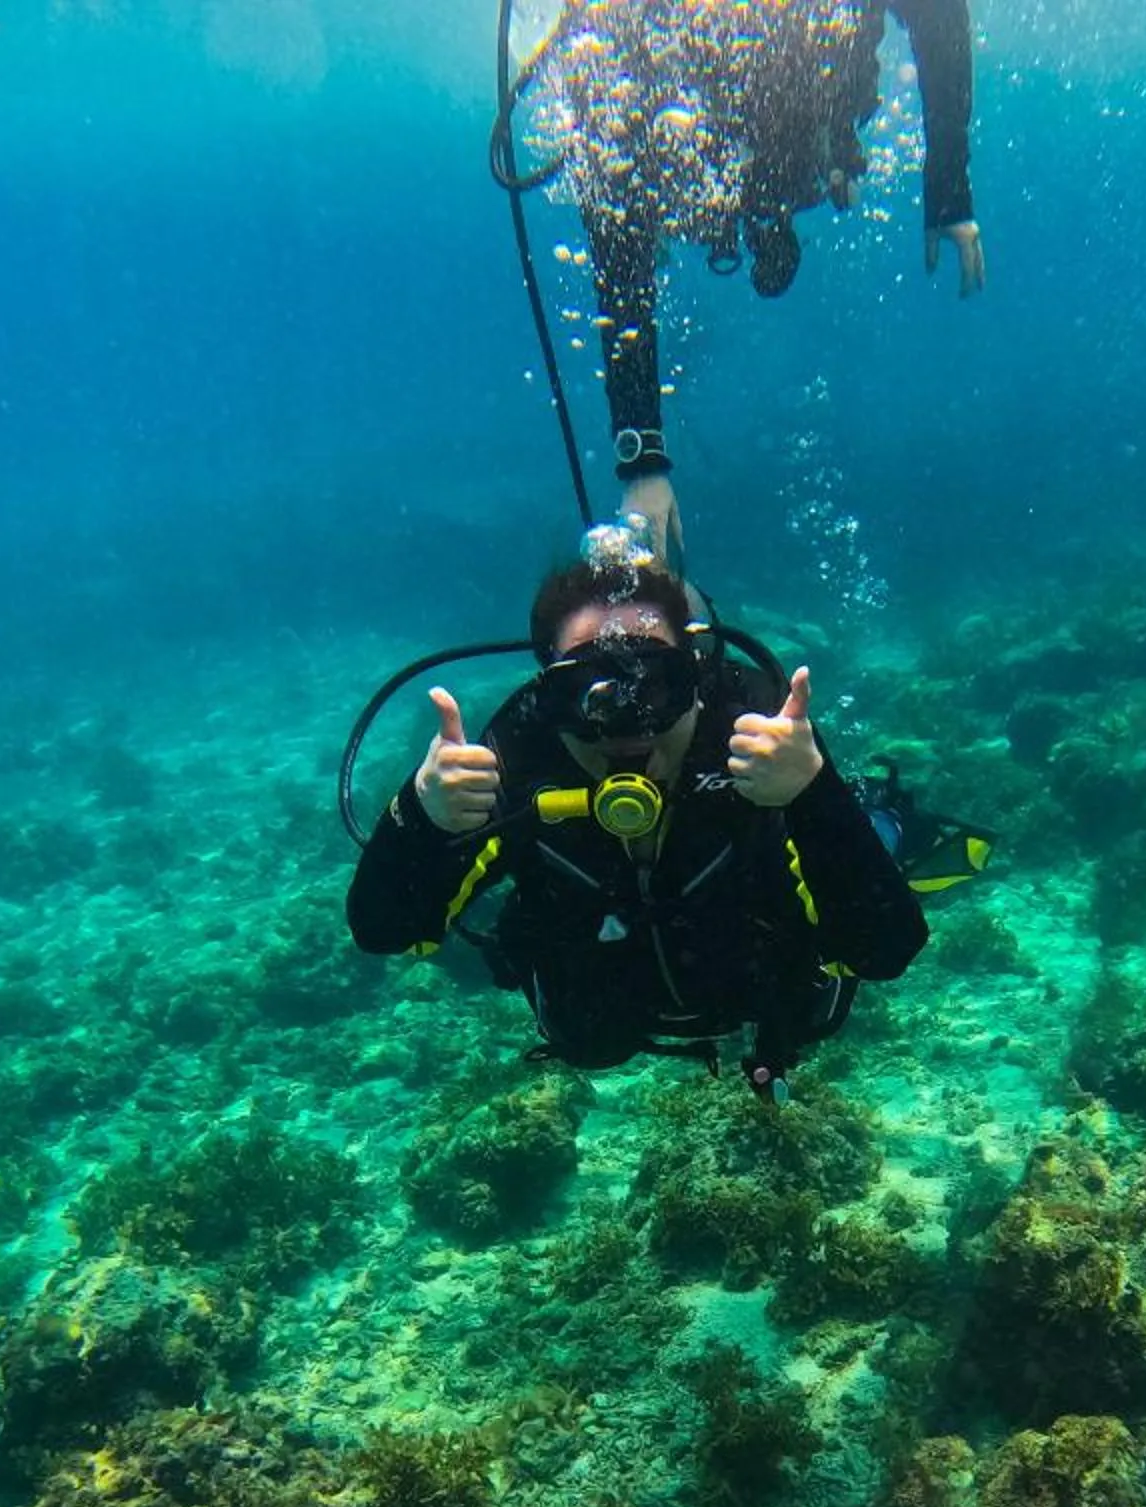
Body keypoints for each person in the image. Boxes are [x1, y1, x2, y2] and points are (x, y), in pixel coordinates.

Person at [347, 553, 927, 1090]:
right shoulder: (522, 754)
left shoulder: (752, 732)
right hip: (605, 1007)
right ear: (549, 694)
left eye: (656, 683)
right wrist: (422, 817)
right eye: (588, 692)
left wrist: (813, 791)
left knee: (832, 943)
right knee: (589, 1037)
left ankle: (881, 816)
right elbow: (382, 929)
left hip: (768, 986)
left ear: (696, 679)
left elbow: (886, 948)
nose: (627, 724)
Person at [533, 0, 985, 572]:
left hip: (801, 132)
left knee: (769, 166)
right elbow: (616, 241)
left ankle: (785, 191)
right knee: (643, 188)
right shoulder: (611, 35)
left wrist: (948, 184)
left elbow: (938, 12)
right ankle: (757, 203)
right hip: (698, 156)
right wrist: (641, 453)